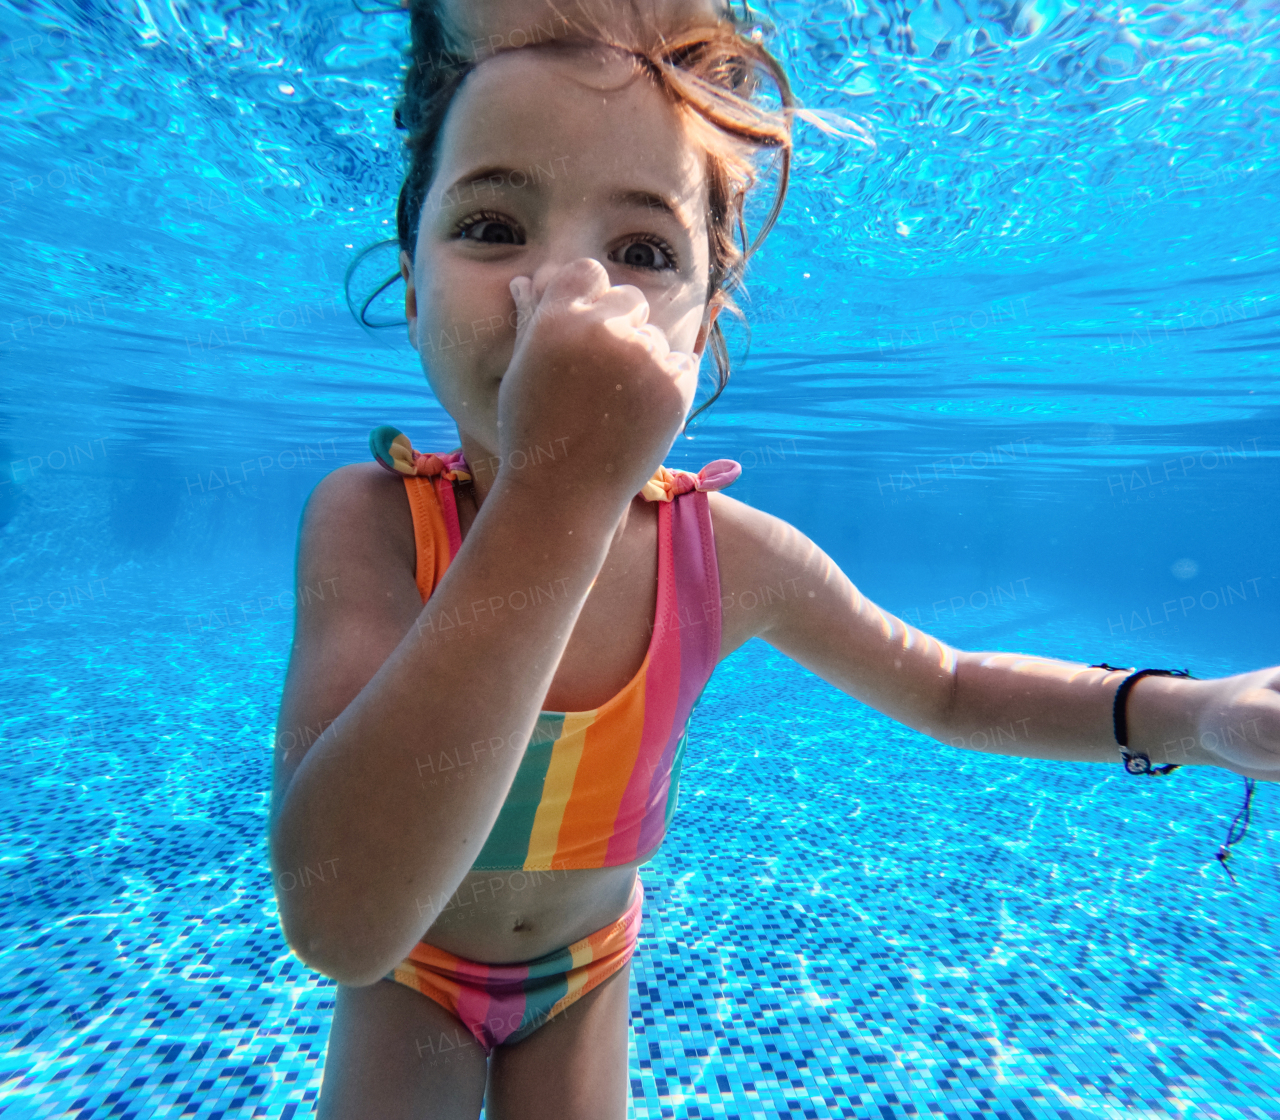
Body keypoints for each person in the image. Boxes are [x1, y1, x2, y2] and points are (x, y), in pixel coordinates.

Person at [268, 18, 1279, 1120]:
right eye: (492, 225)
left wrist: (1186, 713)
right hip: (411, 972)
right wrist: (555, 490)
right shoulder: (371, 522)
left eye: (643, 252)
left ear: (702, 326)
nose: (563, 289)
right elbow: (346, 925)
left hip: (584, 975)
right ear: (410, 285)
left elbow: (943, 685)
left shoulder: (723, 556)